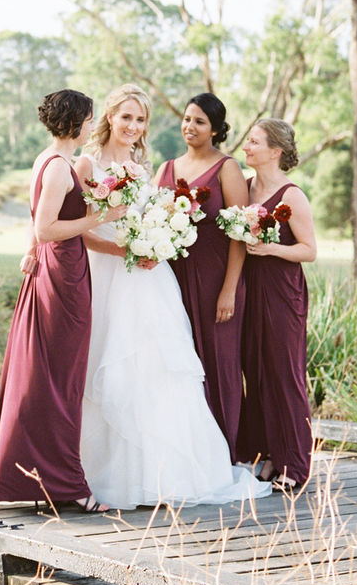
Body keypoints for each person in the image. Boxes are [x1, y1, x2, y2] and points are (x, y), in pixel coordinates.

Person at [75, 84, 268, 511]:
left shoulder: (143, 168)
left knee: (163, 367)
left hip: (152, 278)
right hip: (110, 273)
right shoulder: (89, 163)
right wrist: (128, 248)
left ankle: (168, 474)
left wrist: (153, 244)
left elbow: (164, 218)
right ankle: (95, 473)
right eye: (126, 117)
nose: (133, 125)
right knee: (110, 363)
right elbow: (74, 225)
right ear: (109, 117)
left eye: (140, 119)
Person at [0, 89, 120, 513]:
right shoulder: (60, 167)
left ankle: (47, 481)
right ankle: (63, 483)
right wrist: (101, 217)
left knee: (49, 380)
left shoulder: (45, 159)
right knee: (61, 382)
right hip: (63, 277)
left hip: (55, 271)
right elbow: (46, 228)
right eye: (88, 119)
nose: (90, 126)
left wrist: (31, 250)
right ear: (75, 122)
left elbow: (37, 229)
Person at [156, 93, 248, 461]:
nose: (189, 127)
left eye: (199, 122)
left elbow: (239, 234)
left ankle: (225, 453)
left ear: (215, 129)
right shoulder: (165, 169)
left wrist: (229, 290)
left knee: (219, 364)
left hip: (215, 280)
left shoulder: (227, 168)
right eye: (187, 119)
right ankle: (185, 454)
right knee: (178, 362)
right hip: (170, 281)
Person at [236, 118, 317, 494]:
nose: (246, 146)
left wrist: (271, 248)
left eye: (254, 142)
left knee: (284, 373)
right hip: (249, 289)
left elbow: (309, 250)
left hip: (282, 292)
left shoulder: (291, 196)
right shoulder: (245, 187)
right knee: (256, 371)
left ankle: (296, 464)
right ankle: (267, 456)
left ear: (275, 151)